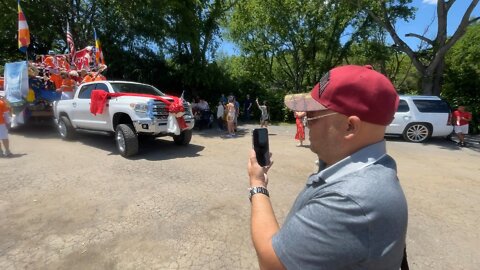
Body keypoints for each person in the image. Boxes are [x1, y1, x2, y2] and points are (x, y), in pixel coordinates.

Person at [247, 65, 408, 270]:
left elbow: (272, 263)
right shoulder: (377, 169)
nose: (305, 121)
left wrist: (257, 184)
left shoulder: (350, 199)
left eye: (312, 116)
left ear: (349, 126)